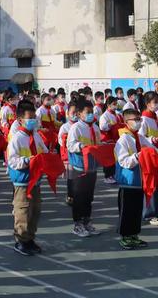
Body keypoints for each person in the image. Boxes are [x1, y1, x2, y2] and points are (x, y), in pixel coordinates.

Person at [7, 100, 48, 256]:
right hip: (22, 181)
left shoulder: (36, 136)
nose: (33, 121)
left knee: (35, 210)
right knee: (22, 211)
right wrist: (28, 161)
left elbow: (43, 152)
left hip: (35, 180)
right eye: (29, 118)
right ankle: (21, 240)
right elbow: (12, 161)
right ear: (20, 120)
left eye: (34, 117)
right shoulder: (17, 138)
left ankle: (30, 238)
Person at [115, 109, 151, 250]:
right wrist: (138, 156)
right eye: (135, 120)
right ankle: (125, 236)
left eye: (139, 119)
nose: (138, 122)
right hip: (128, 182)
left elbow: (150, 147)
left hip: (139, 181)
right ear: (126, 122)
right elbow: (124, 162)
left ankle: (134, 235)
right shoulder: (123, 139)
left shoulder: (138, 137)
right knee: (126, 211)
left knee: (137, 210)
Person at [67, 100, 102, 237]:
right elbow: (70, 145)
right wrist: (81, 146)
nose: (90, 115)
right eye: (87, 112)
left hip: (92, 167)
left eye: (91, 112)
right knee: (78, 196)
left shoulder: (95, 127)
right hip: (79, 167)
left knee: (88, 196)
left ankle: (87, 221)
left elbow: (98, 143)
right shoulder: (76, 128)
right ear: (79, 114)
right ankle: (78, 224)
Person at [139, 91, 158, 225]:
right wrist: (151, 139)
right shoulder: (144, 119)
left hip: (155, 154)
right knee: (150, 183)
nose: (156, 105)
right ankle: (149, 213)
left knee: (155, 183)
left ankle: (154, 211)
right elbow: (140, 137)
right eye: (154, 102)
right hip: (148, 157)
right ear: (147, 104)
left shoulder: (154, 117)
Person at [98, 96, 123, 185]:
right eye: (114, 104)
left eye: (116, 104)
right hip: (107, 140)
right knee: (108, 159)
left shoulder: (116, 114)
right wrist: (111, 125)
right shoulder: (104, 115)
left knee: (114, 159)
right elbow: (102, 127)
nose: (115, 106)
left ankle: (113, 175)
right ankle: (107, 176)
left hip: (116, 139)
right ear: (108, 105)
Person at [58, 102, 78, 205]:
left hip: (80, 157)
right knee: (71, 178)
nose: (75, 114)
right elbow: (60, 142)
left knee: (79, 178)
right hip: (69, 156)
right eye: (73, 112)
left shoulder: (81, 125)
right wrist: (65, 138)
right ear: (68, 113)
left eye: (77, 112)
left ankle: (78, 195)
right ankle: (70, 195)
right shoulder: (64, 127)